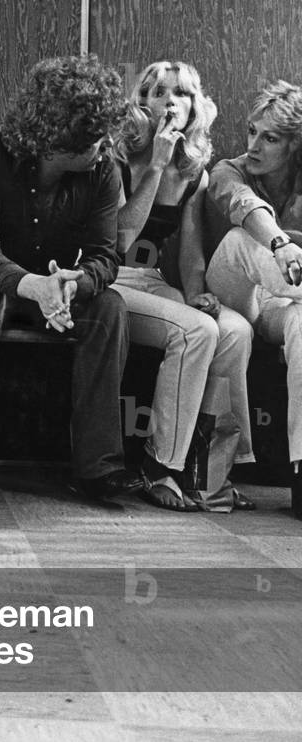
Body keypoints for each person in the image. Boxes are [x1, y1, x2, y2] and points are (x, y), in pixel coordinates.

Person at [0, 55, 142, 502]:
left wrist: (74, 282)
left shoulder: (103, 171)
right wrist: (35, 286)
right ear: (59, 139)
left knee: (110, 307)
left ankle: (97, 468)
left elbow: (107, 255)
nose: (106, 147)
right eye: (96, 139)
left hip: (57, 289)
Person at [113, 61, 254, 511]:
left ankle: (206, 472)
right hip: (110, 282)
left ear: (196, 106)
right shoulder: (116, 157)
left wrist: (195, 293)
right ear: (141, 103)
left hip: (154, 282)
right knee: (198, 332)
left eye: (182, 93)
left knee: (234, 330)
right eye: (158, 92)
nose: (171, 102)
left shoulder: (195, 171)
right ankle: (160, 465)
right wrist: (153, 165)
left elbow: (190, 250)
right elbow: (119, 238)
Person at [205, 80, 302, 518]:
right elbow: (241, 204)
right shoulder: (231, 169)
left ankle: (301, 470)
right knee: (242, 237)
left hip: (281, 305)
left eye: (270, 137)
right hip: (232, 289)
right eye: (251, 131)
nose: (254, 145)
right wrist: (281, 243)